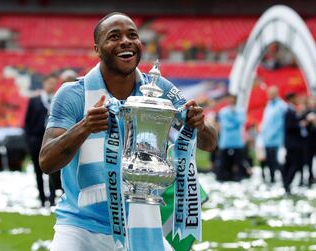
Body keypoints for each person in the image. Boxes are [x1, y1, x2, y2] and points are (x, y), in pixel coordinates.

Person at [39, 12, 217, 251]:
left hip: (142, 224)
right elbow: (46, 161)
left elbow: (209, 143)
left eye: (132, 35)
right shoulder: (73, 94)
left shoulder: (158, 90)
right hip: (81, 228)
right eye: (114, 36)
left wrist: (199, 123)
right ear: (97, 49)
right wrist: (85, 126)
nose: (126, 41)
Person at [24, 74, 58, 207]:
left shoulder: (57, 100)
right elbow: (27, 123)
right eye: (49, 82)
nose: (51, 86)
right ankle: (42, 198)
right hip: (36, 139)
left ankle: (52, 198)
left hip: (52, 139)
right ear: (44, 84)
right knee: (38, 171)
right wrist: (28, 141)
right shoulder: (35, 100)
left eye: (53, 83)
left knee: (53, 170)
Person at [215, 94, 247, 181]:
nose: (231, 100)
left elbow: (242, 121)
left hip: (237, 141)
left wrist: (233, 116)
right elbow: (226, 124)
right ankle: (221, 177)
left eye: (233, 99)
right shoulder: (223, 111)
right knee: (223, 161)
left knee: (239, 161)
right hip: (225, 141)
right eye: (230, 99)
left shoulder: (240, 111)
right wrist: (235, 120)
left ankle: (239, 177)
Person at [260, 86, 287, 183]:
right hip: (267, 140)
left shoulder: (282, 106)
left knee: (278, 161)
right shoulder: (269, 105)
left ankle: (284, 180)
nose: (269, 95)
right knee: (269, 161)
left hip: (277, 139)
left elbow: (280, 123)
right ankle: (272, 179)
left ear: (276, 93)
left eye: (271, 93)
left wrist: (271, 134)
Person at [282, 93, 304, 194]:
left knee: (289, 163)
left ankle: (286, 183)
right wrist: (300, 124)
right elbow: (289, 127)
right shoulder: (289, 111)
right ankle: (287, 183)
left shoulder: (291, 110)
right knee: (294, 164)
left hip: (291, 143)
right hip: (292, 143)